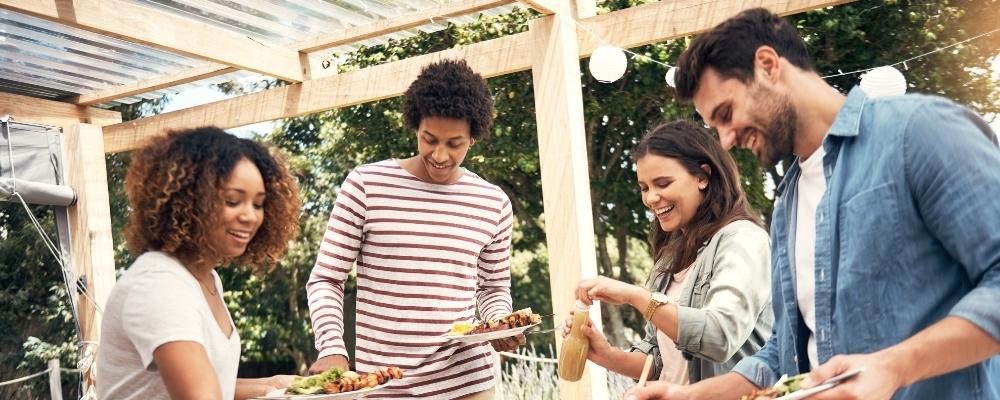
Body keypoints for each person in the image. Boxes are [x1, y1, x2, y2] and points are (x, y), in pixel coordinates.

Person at [626, 7, 1000, 400]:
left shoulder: (918, 132)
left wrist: (895, 366)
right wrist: (688, 396)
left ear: (768, 65)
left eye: (726, 113)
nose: (726, 141)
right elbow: (781, 355)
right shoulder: (789, 203)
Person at [305, 59, 520, 399]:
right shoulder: (366, 185)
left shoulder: (492, 202)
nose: (439, 155)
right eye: (429, 139)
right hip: (385, 384)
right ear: (414, 126)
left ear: (473, 139)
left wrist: (500, 323)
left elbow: (492, 286)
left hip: (467, 382)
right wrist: (332, 347)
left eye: (455, 144)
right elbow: (326, 278)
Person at [96, 127, 303, 400]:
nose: (250, 216)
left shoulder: (206, 278)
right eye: (233, 201)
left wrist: (272, 387)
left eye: (259, 204)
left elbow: (205, 385)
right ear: (190, 200)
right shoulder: (159, 284)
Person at [566, 120, 772, 384]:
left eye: (662, 183)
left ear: (702, 176)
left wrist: (636, 297)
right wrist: (606, 355)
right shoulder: (670, 258)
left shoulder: (743, 239)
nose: (651, 198)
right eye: (644, 188)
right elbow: (662, 358)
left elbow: (719, 336)